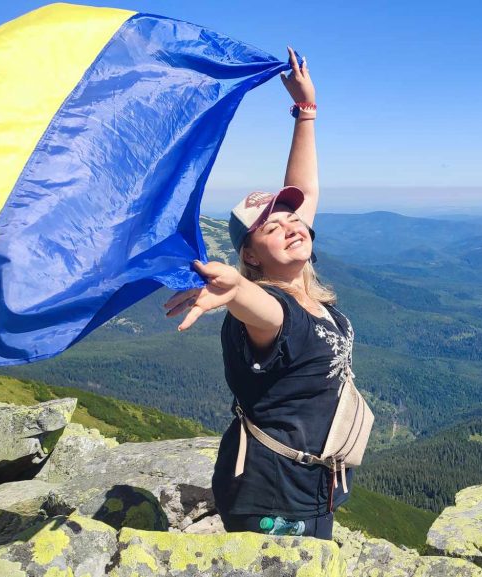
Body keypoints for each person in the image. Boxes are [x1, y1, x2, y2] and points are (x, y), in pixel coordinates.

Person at [165, 47, 352, 540]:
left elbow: (302, 192)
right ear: (250, 255)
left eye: (293, 220)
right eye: (272, 227)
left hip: (309, 486)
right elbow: (263, 312)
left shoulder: (307, 288)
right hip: (271, 495)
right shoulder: (273, 308)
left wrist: (305, 111)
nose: (291, 226)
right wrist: (235, 290)